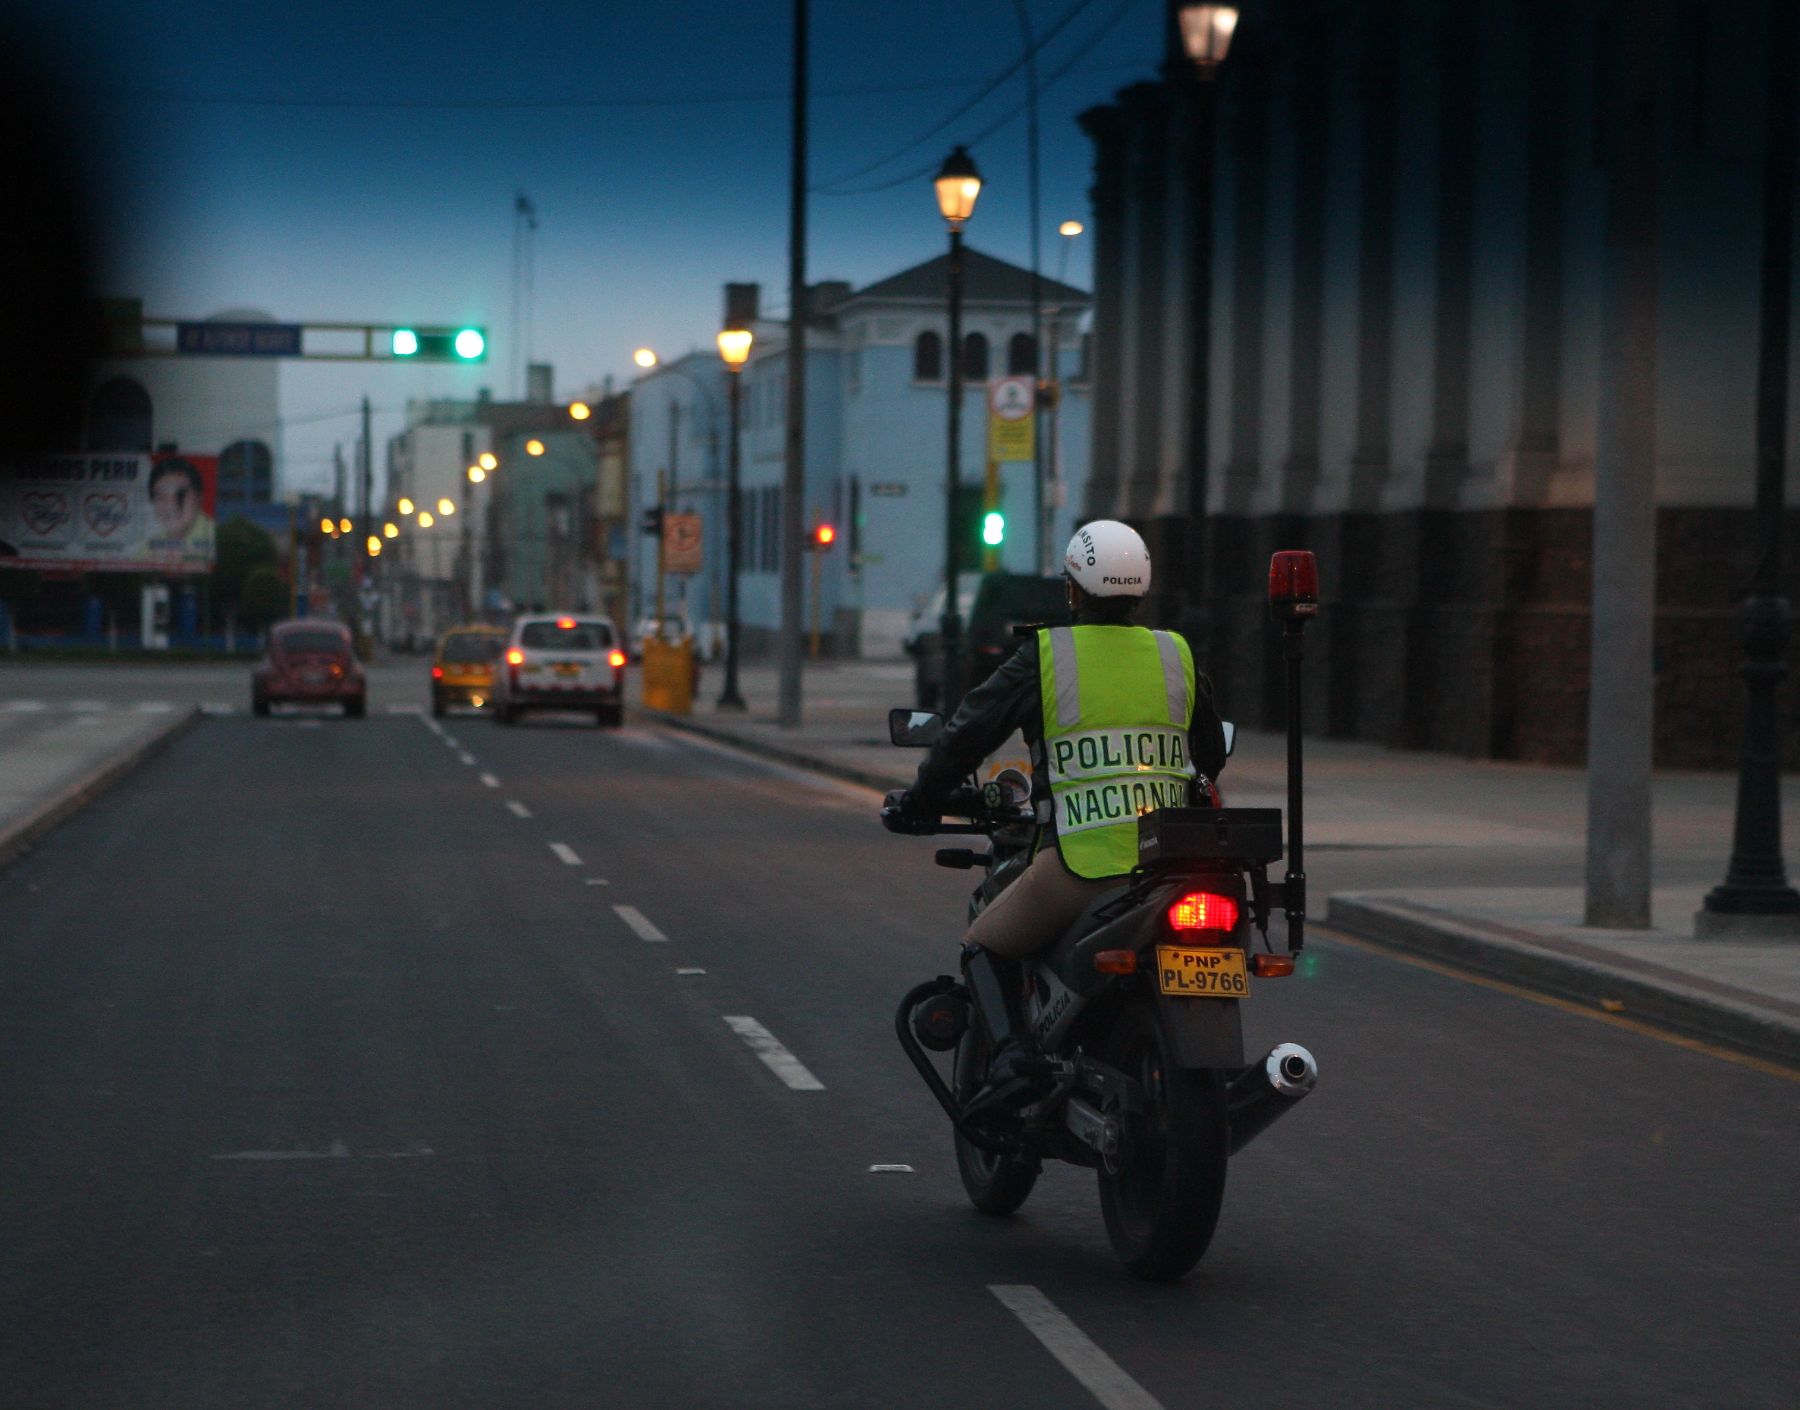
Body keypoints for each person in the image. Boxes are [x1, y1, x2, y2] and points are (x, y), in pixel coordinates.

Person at [884, 520, 1227, 1113]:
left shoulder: (1046, 655)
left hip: (1083, 861)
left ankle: (1016, 1061)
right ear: (1141, 589)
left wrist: (921, 800)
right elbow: (1210, 756)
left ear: (1073, 589)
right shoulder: (1175, 653)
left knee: (983, 945)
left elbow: (966, 735)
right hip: (1169, 864)